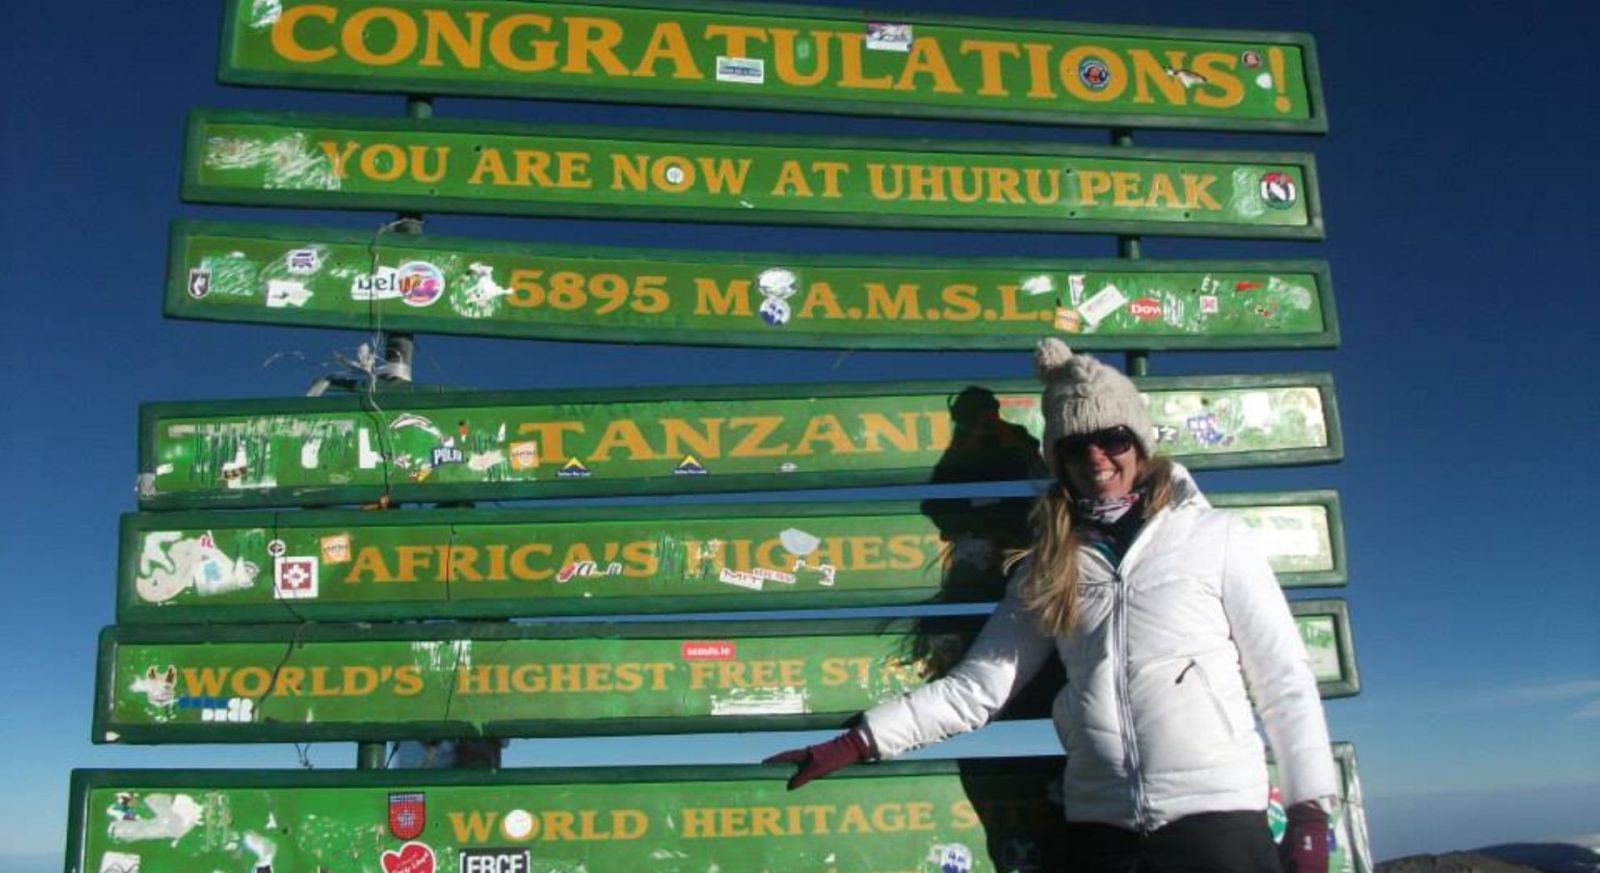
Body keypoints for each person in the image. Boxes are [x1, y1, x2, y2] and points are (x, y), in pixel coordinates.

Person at [767, 339, 1337, 873]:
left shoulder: (1217, 538)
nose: (1097, 457)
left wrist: (1310, 813)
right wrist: (858, 741)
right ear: (1057, 461)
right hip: (1101, 831)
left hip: (1218, 826)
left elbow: (1283, 679)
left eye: (1112, 437)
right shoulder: (1050, 565)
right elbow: (978, 687)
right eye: (1073, 446)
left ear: (1138, 442)